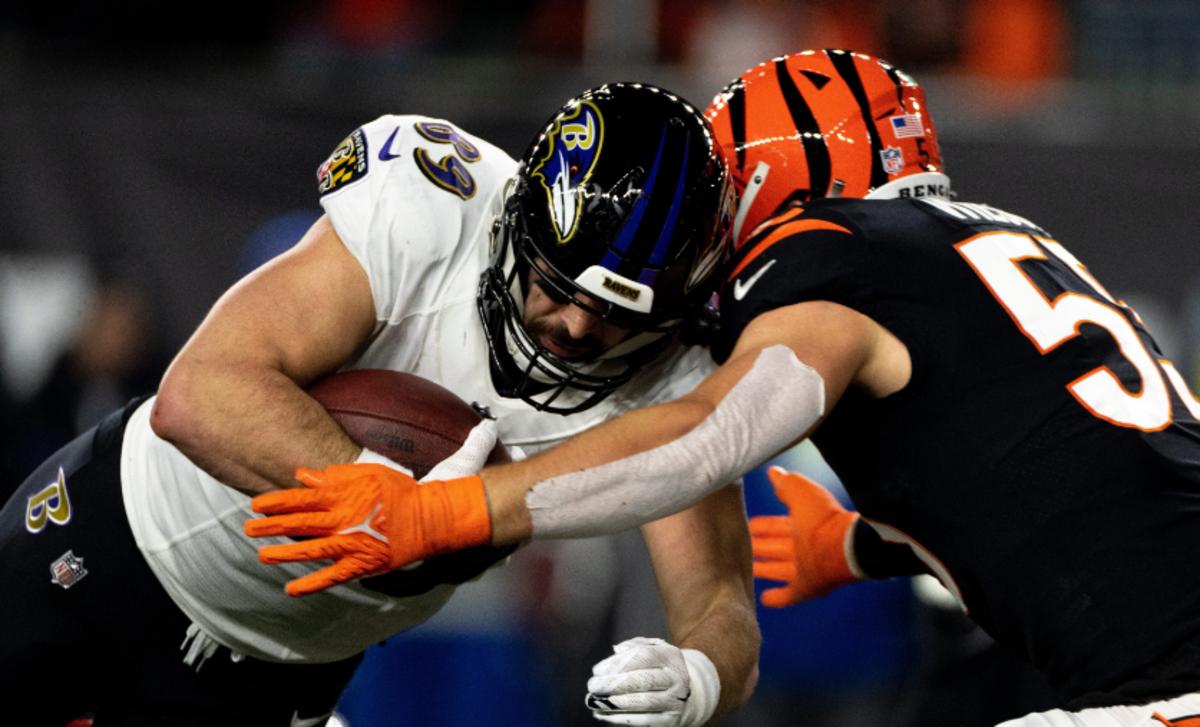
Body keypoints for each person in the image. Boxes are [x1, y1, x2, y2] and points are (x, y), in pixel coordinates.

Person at [249, 48, 1200, 726]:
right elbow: (1065, 479)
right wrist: (866, 548)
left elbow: (705, 433)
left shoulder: (830, 253)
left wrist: (449, 512)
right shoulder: (987, 241)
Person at [0, 83, 760, 726]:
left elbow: (719, 598)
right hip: (117, 543)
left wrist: (698, 680)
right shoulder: (434, 211)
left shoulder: (679, 376)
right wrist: (384, 498)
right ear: (520, 222)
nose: (576, 327)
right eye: (557, 286)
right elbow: (198, 394)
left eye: (619, 315)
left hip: (283, 668)